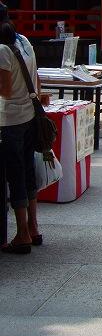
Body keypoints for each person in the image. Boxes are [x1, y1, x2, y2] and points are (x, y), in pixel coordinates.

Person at [0, 18, 42, 254]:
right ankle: (33, 227)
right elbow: (36, 80)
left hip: (10, 119)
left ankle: (22, 234)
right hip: (29, 115)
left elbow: (5, 90)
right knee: (27, 171)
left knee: (15, 175)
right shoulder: (24, 41)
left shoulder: (2, 50)